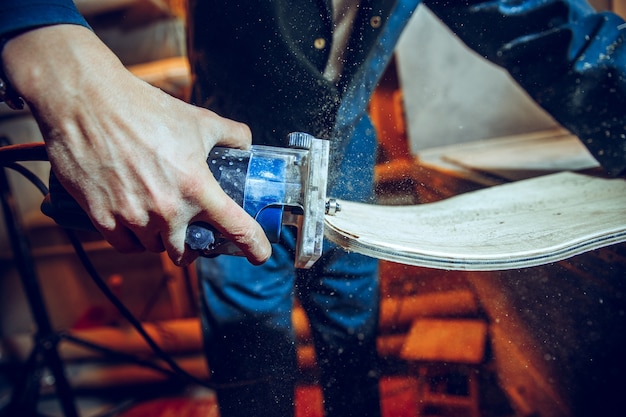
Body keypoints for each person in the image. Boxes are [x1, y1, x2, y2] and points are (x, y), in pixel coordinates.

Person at [1, 1, 625, 417]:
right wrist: (57, 59)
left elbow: (554, 32)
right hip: (236, 186)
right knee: (253, 366)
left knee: (353, 347)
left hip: (348, 181)